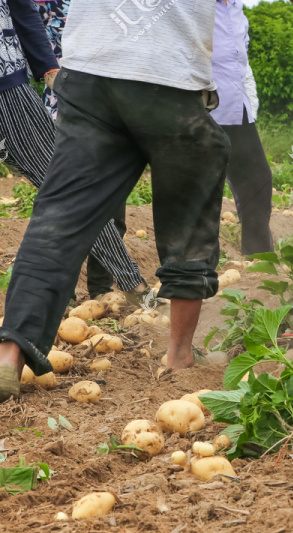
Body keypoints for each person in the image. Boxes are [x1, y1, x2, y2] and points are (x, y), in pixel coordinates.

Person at [0, 0, 236, 398]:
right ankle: (179, 355)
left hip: (90, 70)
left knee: (61, 216)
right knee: (188, 213)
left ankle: (8, 358)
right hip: (166, 74)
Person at [32, 0, 153, 305]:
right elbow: (30, 40)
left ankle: (101, 289)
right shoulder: (47, 4)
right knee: (69, 206)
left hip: (112, 109)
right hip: (67, 110)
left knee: (115, 209)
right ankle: (62, 294)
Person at [211, 0, 274, 256]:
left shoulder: (235, 7)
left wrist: (250, 102)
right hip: (203, 110)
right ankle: (201, 268)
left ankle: (258, 260)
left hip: (238, 109)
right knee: (205, 189)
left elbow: (240, 61)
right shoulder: (192, 6)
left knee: (258, 180)